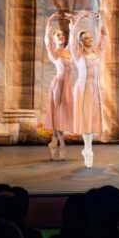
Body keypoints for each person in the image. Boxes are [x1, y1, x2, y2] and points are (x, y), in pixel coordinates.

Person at [69, 11, 107, 168]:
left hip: (95, 90)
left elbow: (104, 36)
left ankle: (88, 148)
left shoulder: (97, 53)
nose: (90, 40)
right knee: (85, 119)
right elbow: (72, 40)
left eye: (90, 37)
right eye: (86, 38)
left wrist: (103, 20)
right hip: (82, 89)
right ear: (81, 42)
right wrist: (77, 20)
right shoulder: (78, 55)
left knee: (92, 118)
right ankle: (88, 149)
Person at [43, 12, 74, 160]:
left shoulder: (68, 51)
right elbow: (47, 42)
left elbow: (73, 39)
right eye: (57, 35)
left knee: (61, 115)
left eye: (62, 35)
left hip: (67, 86)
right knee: (57, 114)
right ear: (54, 40)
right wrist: (49, 21)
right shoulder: (54, 53)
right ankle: (62, 144)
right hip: (58, 85)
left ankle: (53, 141)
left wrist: (72, 24)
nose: (61, 36)